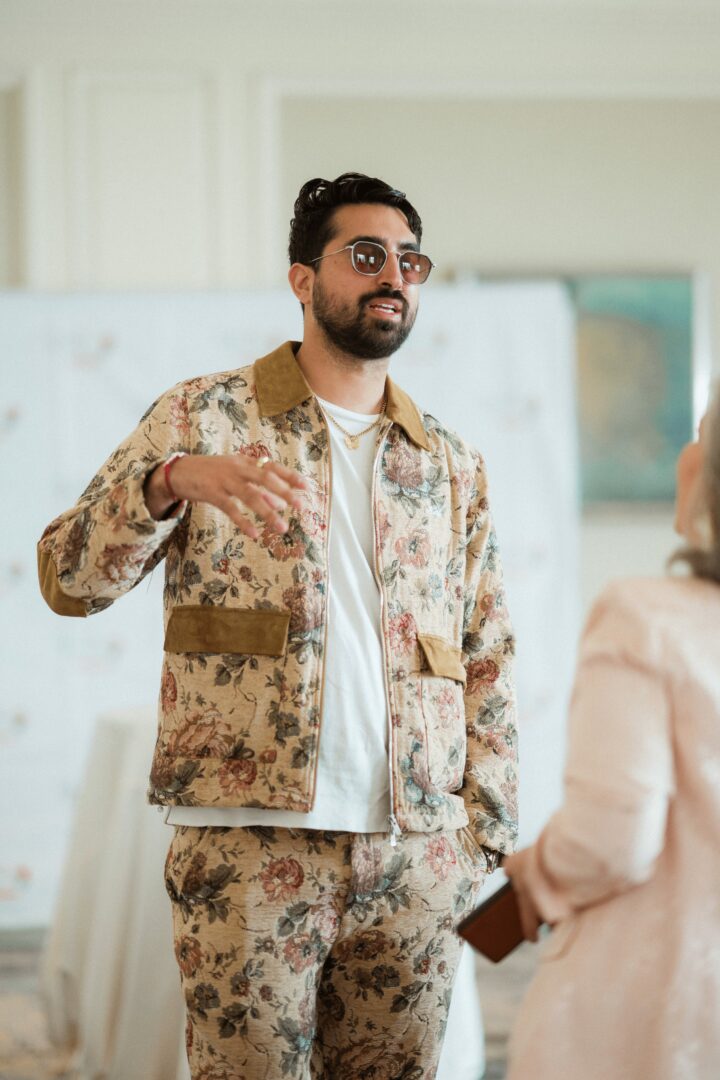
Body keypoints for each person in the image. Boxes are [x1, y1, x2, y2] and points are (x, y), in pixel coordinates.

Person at [37, 171, 518, 1079]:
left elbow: (486, 648)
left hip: (417, 851)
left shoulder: (449, 462)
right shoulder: (203, 416)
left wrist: (482, 835)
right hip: (247, 840)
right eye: (366, 255)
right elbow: (68, 579)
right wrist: (168, 483)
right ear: (303, 278)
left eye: (410, 261)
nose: (394, 276)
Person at [503, 400, 720, 1080]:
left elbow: (610, 841)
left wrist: (529, 884)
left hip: (659, 1013)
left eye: (700, 437)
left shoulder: (646, 620)